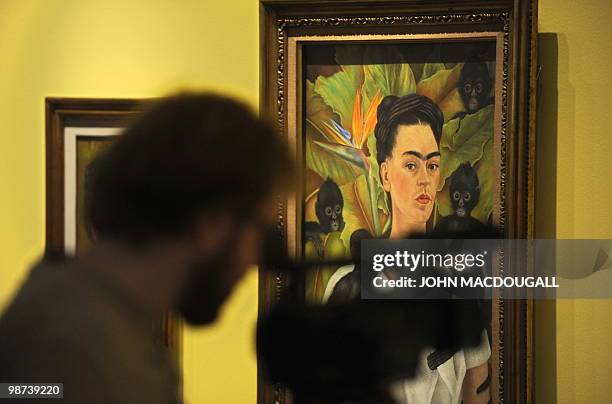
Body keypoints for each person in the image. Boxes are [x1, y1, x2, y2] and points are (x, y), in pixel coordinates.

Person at [0, 93, 292, 404]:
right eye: (258, 229)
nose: (253, 261)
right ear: (213, 222)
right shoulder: (71, 347)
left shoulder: (98, 325)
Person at [325, 94, 491, 404]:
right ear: (386, 174)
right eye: (411, 165)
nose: (424, 180)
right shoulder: (346, 284)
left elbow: (476, 393)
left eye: (432, 165)